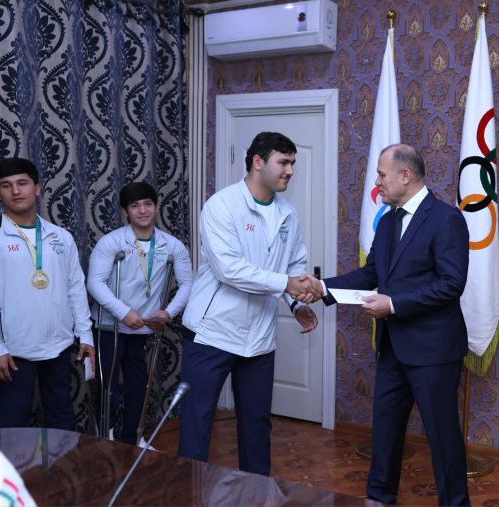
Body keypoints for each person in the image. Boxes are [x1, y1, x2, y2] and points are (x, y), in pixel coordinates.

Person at [301, 143, 471, 505]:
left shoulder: (446, 219)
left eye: (381, 174)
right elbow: (371, 274)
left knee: (442, 438)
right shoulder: (389, 219)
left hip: (434, 351)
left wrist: (393, 304)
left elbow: (451, 284)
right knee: (385, 432)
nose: (377, 183)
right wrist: (323, 288)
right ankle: (378, 499)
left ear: (405, 175)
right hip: (393, 347)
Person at [178, 131, 320, 475]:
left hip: (259, 340)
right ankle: (186, 492)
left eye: (293, 163)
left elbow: (292, 266)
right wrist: (287, 284)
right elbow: (230, 270)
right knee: (196, 424)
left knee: (257, 426)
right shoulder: (221, 206)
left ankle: (257, 493)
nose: (290, 170)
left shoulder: (288, 214)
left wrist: (297, 304)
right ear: (258, 162)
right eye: (283, 162)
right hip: (211, 334)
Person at [0, 157, 95, 430]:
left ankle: (61, 461)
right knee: (12, 428)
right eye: (6, 185)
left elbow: (75, 288)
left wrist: (85, 334)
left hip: (59, 346)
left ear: (37, 188)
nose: (15, 191)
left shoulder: (60, 236)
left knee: (61, 421)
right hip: (11, 351)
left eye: (22, 183)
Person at [86, 181, 194, 444]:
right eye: (135, 206)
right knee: (108, 387)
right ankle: (106, 437)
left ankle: (133, 439)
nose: (143, 211)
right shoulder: (112, 242)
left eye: (148, 204)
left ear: (156, 207)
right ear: (126, 211)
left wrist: (168, 313)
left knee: (138, 387)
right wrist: (123, 312)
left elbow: (188, 283)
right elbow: (94, 283)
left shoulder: (171, 245)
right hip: (109, 327)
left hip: (144, 327)